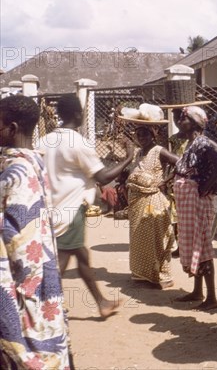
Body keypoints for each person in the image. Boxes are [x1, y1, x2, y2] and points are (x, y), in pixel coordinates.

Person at [38, 93, 134, 318]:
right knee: (63, 258)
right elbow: (102, 177)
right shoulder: (78, 142)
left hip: (51, 208)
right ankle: (44, 306)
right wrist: (127, 158)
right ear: (77, 114)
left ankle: (101, 302)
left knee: (80, 256)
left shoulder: (44, 141)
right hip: (71, 210)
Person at [0, 95, 72, 369]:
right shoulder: (33, 163)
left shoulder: (17, 172)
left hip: (22, 283)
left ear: (13, 128)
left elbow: (18, 244)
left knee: (28, 351)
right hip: (38, 276)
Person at [173, 106, 217, 310]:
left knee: (202, 245)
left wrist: (205, 185)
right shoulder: (193, 143)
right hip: (189, 200)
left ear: (194, 121)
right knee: (195, 244)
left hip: (197, 200)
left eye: (184, 118)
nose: (180, 121)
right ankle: (197, 291)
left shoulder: (202, 142)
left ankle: (211, 297)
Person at [127, 125, 179, 289]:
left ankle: (160, 277)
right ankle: (143, 275)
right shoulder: (139, 153)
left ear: (152, 135)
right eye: (138, 134)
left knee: (155, 239)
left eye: (144, 134)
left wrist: (165, 180)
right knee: (139, 239)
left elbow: (180, 162)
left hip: (152, 202)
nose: (141, 137)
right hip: (137, 203)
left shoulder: (159, 151)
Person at [167, 108, 188, 257]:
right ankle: (180, 245)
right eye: (174, 118)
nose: (177, 121)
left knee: (186, 214)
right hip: (175, 178)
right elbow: (170, 158)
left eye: (179, 117)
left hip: (189, 179)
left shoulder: (193, 138)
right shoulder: (173, 138)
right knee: (174, 215)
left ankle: (187, 244)